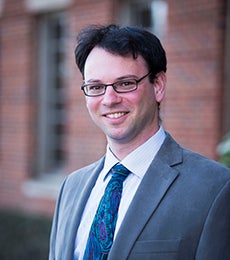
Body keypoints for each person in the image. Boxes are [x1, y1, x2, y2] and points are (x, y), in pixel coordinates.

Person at [49, 24, 230, 260]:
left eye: (125, 83)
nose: (109, 99)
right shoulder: (71, 187)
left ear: (158, 86)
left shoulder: (215, 188)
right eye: (96, 87)